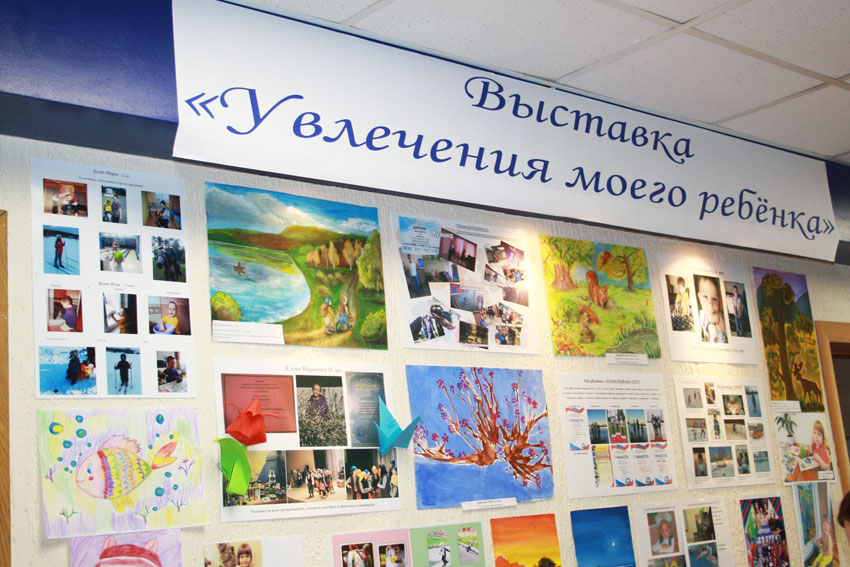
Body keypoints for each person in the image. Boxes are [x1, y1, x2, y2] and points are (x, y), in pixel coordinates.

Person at [696, 276, 728, 343]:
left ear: (719, 300)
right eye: (705, 297)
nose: (710, 306)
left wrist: (724, 329)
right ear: (699, 297)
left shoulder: (722, 318)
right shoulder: (701, 315)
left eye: (714, 299)